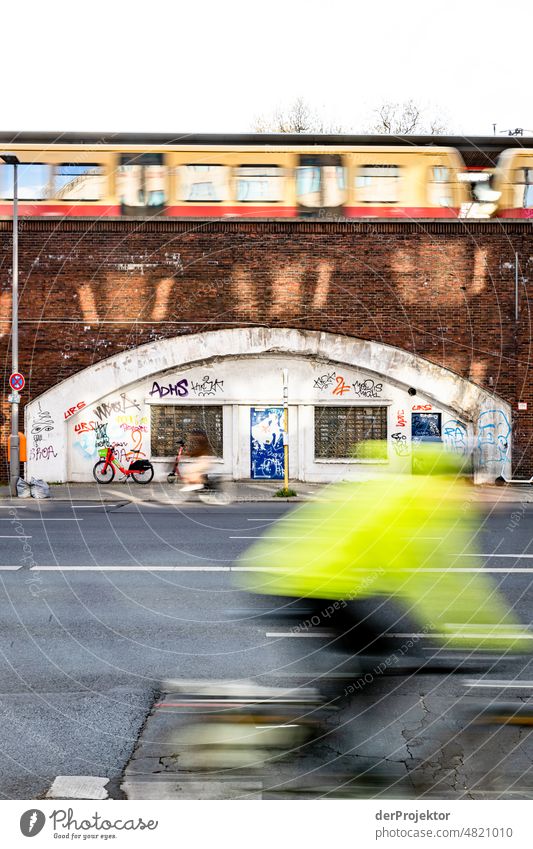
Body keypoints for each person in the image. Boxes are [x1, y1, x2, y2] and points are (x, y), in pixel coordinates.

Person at [237, 441, 531, 663]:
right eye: (469, 485)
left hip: (294, 575)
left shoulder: (401, 492)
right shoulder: (419, 510)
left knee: (373, 651)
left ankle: (322, 720)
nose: (473, 494)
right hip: (310, 585)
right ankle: (319, 731)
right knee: (378, 659)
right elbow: (447, 589)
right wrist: (505, 640)